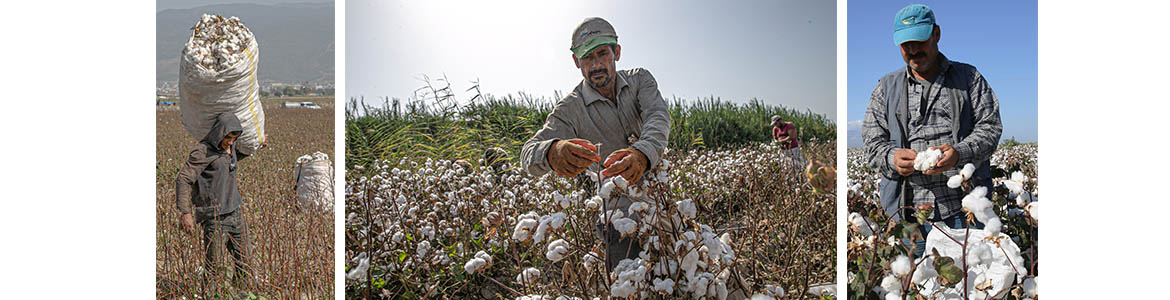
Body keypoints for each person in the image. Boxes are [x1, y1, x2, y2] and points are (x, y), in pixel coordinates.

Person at [519, 17, 670, 270]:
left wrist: (642, 155)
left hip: (658, 194)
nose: (596, 64)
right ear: (576, 62)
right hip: (617, 214)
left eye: (602, 53)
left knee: (681, 265)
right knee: (629, 276)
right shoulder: (570, 109)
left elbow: (658, 116)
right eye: (587, 58)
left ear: (617, 53)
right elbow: (527, 154)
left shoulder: (640, 81)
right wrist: (552, 152)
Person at [861, 4, 1002, 257]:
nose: (913, 50)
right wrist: (891, 157)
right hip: (910, 216)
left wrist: (959, 153)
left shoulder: (968, 78)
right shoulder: (886, 88)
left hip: (964, 210)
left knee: (971, 284)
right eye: (906, 45)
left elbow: (990, 127)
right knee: (918, 290)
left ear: (936, 34)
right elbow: (872, 141)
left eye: (919, 41)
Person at [176, 113, 254, 291]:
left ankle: (241, 294)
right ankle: (209, 295)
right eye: (227, 137)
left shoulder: (230, 149)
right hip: (215, 218)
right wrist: (185, 212)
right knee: (214, 268)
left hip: (235, 213)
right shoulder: (202, 152)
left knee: (246, 261)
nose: (230, 142)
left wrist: (257, 145)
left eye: (234, 138)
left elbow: (229, 160)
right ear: (218, 133)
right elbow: (183, 179)